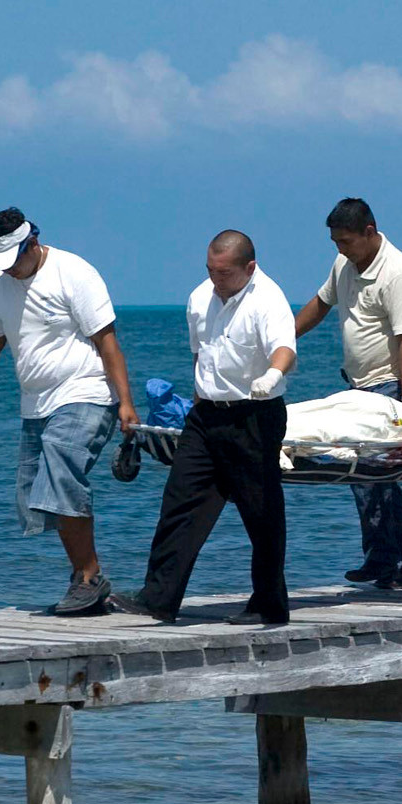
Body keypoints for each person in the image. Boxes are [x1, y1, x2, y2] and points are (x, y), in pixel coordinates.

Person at [0, 209, 140, 616]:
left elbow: (107, 340)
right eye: (0, 264)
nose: (7, 270)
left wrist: (125, 401)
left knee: (61, 471)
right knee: (42, 495)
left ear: (32, 243)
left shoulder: (73, 272)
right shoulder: (1, 286)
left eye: (13, 260)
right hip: (37, 403)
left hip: (87, 392)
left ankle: (88, 578)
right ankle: (85, 579)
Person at [111, 230, 298, 626]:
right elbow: (201, 355)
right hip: (206, 415)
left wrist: (272, 373)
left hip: (255, 415)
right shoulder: (199, 298)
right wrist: (199, 401)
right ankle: (158, 598)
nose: (216, 280)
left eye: (224, 273)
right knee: (180, 501)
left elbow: (285, 348)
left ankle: (269, 603)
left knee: (260, 512)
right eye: (210, 270)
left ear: (248, 268)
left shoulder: (268, 299)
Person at [293, 197, 402, 590]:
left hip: (391, 389)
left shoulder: (399, 274)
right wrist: (283, 339)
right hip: (358, 386)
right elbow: (321, 304)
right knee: (368, 478)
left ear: (369, 232)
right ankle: (390, 561)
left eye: (346, 241)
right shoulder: (344, 263)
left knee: (374, 476)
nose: (341, 249)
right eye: (336, 242)